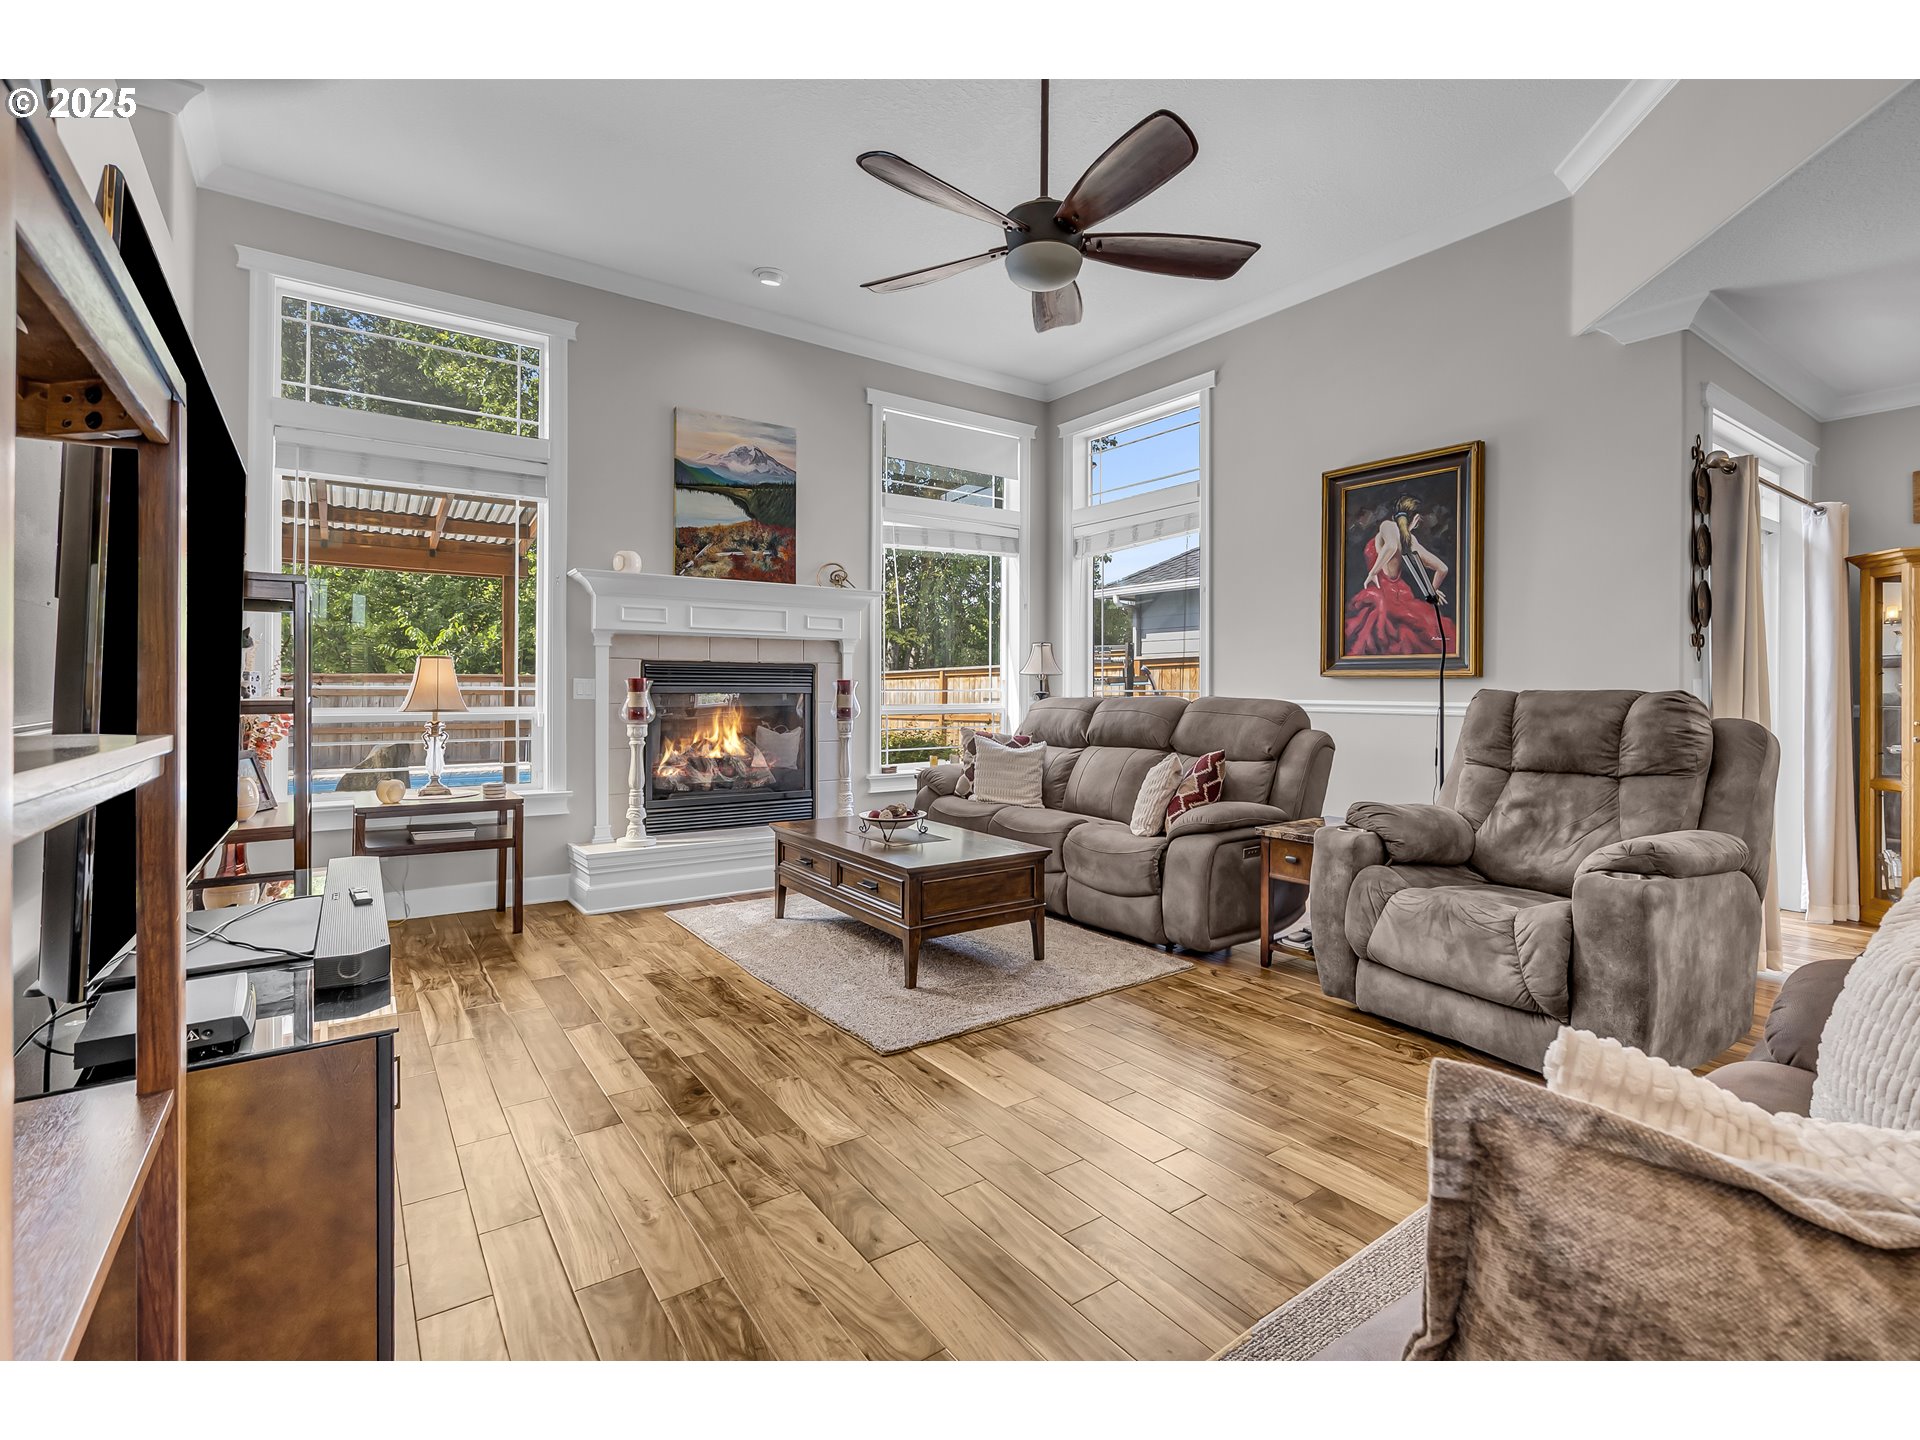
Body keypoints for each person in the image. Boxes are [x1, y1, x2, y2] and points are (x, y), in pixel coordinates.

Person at [1345, 494, 1455, 659]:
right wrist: (1432, 589)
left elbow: (1391, 545)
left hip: (1384, 595)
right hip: (1400, 595)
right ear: (1416, 519)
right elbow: (1442, 568)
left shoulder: (1388, 526)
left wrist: (1373, 572)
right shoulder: (1410, 540)